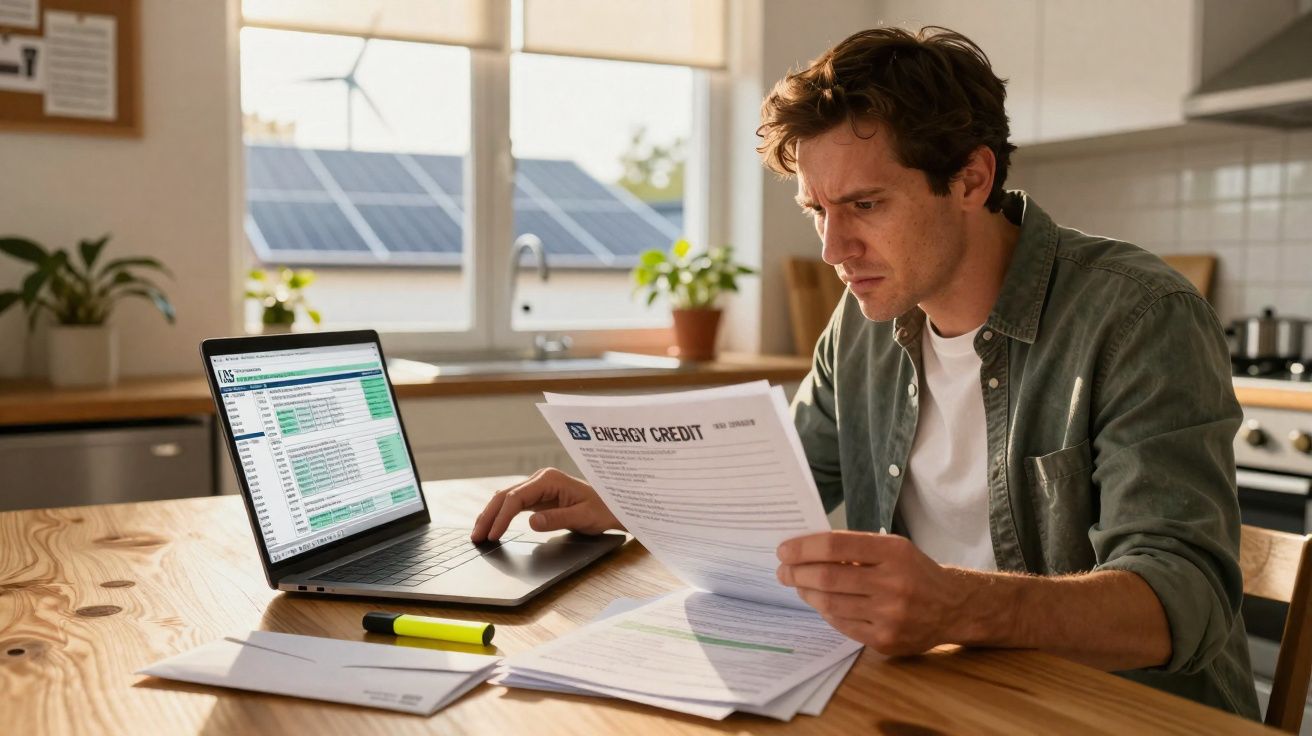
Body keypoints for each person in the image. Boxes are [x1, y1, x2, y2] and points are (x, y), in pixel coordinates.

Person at [471, 26, 1258, 719]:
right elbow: (786, 480)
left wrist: (960, 605)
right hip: (950, 694)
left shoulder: (1139, 316)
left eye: (867, 205)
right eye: (817, 209)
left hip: (1115, 714)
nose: (831, 248)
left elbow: (1182, 601)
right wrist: (618, 498)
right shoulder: (863, 321)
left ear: (971, 180)